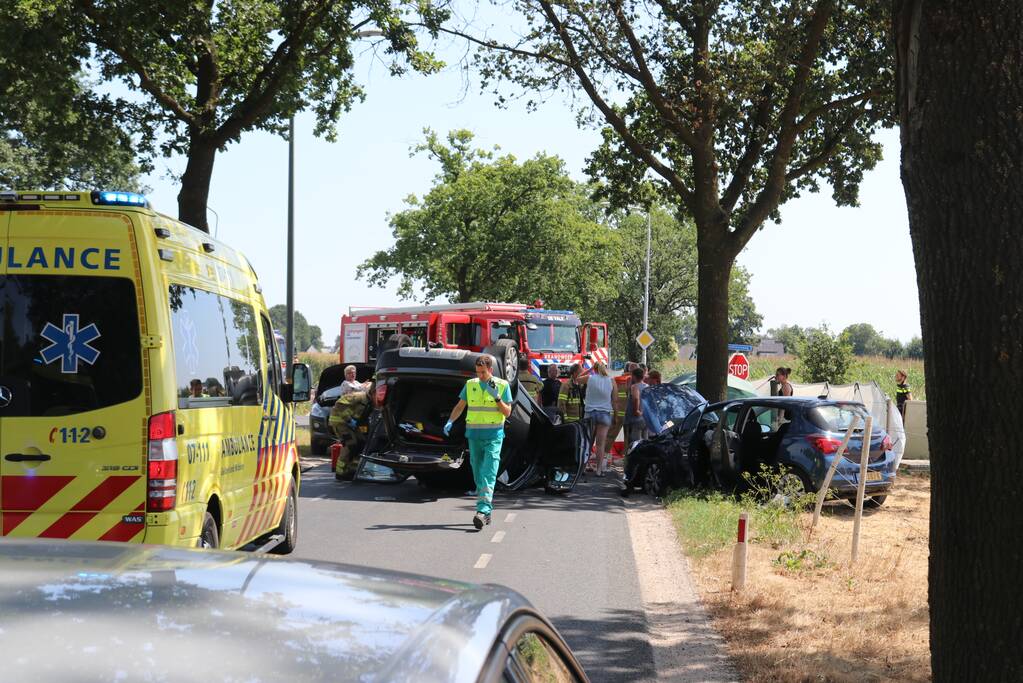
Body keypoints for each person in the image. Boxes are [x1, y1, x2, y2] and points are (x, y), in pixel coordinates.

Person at [444, 355, 513, 530]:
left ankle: (482, 511)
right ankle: (486, 512)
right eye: (478, 372)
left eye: (483, 372)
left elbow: (507, 413)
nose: (480, 375)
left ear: (490, 370)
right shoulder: (470, 384)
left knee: (487, 473)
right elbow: (460, 406)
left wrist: (497, 398)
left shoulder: (503, 385)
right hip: (474, 436)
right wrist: (450, 421)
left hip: (493, 436)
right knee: (477, 474)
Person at [582, 361, 615, 476]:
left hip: (590, 413)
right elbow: (615, 399)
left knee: (587, 442)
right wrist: (614, 414)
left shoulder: (589, 378)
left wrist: (589, 369)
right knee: (600, 444)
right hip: (604, 413)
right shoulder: (611, 380)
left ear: (595, 369)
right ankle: (599, 470)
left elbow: (577, 378)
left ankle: (583, 467)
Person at [624, 366, 648, 450]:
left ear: (634, 376)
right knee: (645, 442)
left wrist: (636, 411)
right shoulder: (647, 386)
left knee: (634, 443)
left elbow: (636, 398)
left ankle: (632, 460)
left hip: (635, 419)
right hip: (645, 419)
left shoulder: (634, 387)